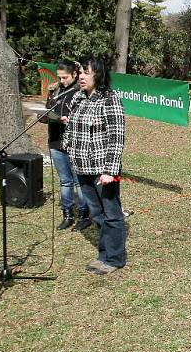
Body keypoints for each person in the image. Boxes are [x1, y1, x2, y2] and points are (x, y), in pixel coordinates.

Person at [62, 57, 127, 275]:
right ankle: (104, 255)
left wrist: (110, 170)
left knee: (111, 213)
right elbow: (70, 128)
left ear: (97, 74)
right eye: (80, 72)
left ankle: (115, 258)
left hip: (103, 170)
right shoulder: (78, 98)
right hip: (81, 168)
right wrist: (68, 147)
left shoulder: (110, 99)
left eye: (86, 72)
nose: (80, 76)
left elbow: (116, 136)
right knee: (97, 213)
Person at [40, 60, 91, 231]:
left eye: (65, 77)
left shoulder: (81, 92)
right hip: (55, 141)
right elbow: (48, 110)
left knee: (79, 182)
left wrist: (69, 120)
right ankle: (67, 215)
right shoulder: (54, 91)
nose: (62, 81)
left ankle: (84, 215)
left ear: (75, 75)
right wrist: (45, 116)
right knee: (65, 181)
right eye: (60, 77)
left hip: (74, 143)